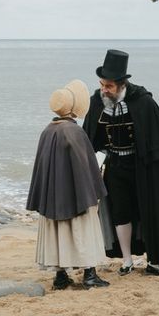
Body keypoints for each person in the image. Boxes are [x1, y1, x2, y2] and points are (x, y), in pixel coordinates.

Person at [83, 49, 159, 276]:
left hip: (142, 167)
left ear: (120, 84)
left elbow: (157, 139)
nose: (103, 90)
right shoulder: (97, 102)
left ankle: (155, 259)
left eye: (108, 86)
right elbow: (91, 137)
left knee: (149, 211)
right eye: (102, 84)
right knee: (120, 212)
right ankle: (127, 259)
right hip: (115, 167)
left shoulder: (143, 102)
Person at [26, 79, 110, 289]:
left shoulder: (48, 130)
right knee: (83, 227)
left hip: (53, 194)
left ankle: (61, 276)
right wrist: (95, 183)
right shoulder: (74, 132)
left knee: (56, 232)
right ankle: (89, 274)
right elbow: (85, 165)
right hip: (74, 193)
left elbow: (43, 167)